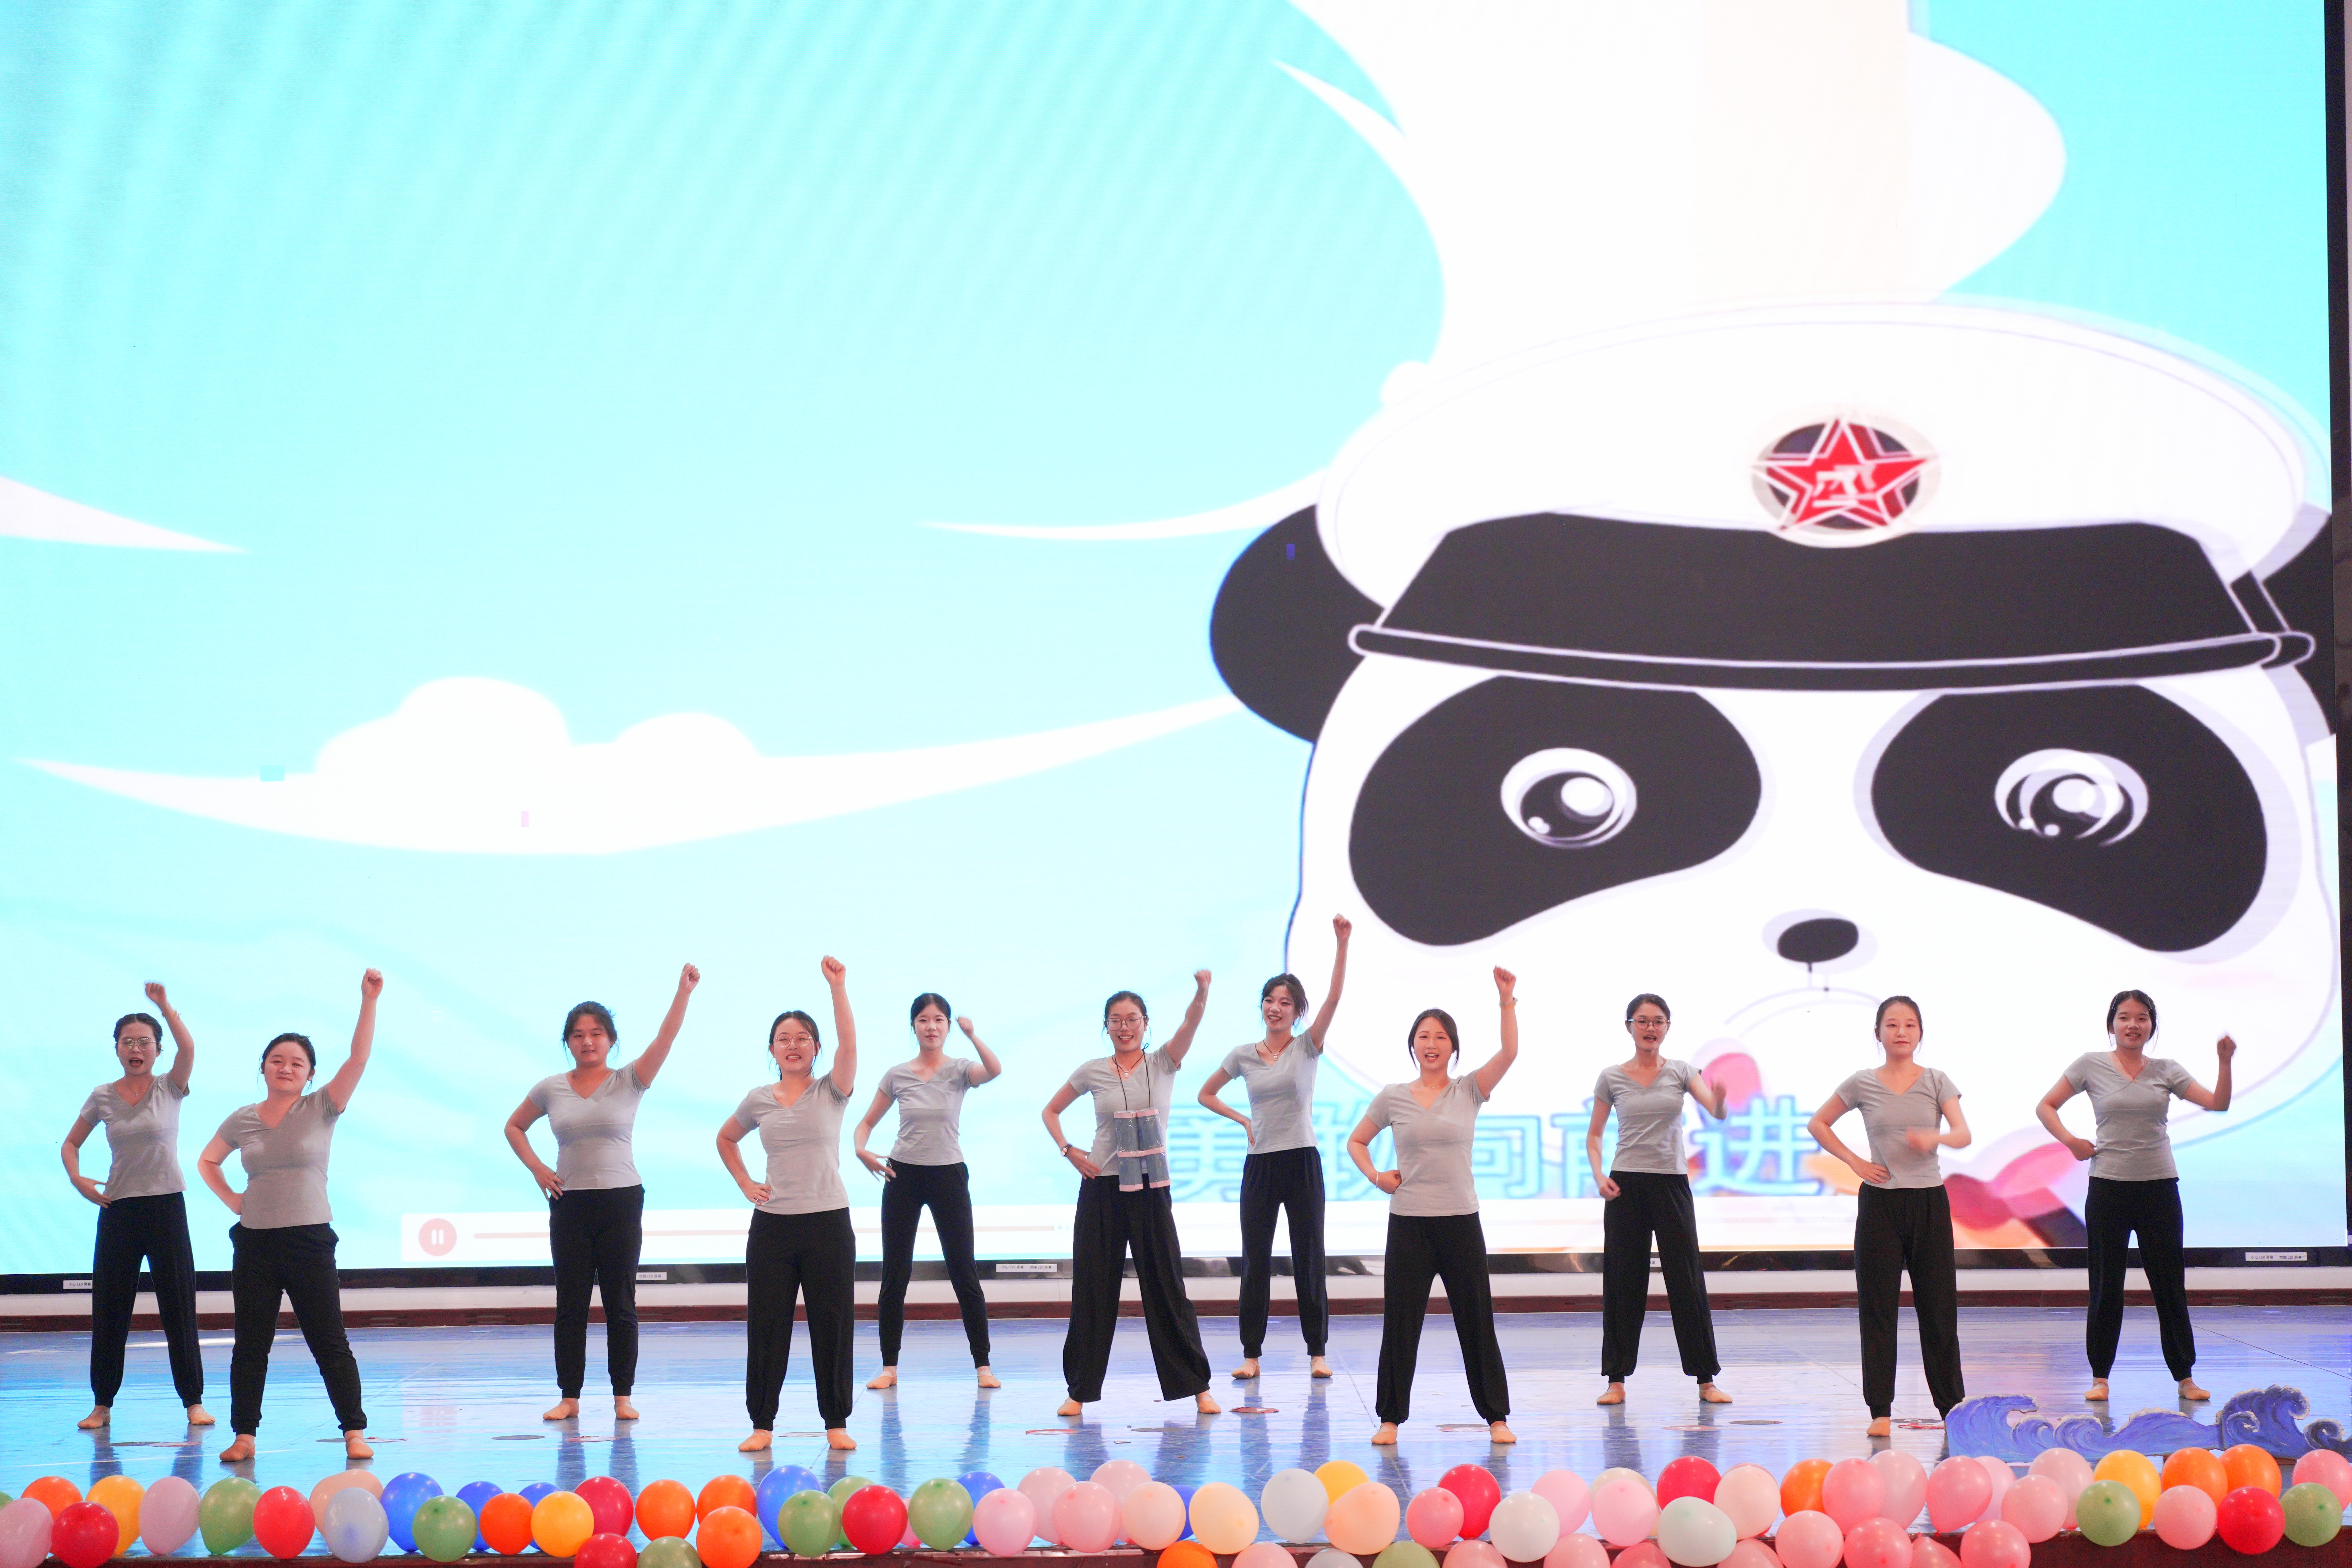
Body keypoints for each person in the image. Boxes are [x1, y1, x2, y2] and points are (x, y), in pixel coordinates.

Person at [198, 969, 382, 1463]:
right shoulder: (243, 1118)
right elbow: (207, 1161)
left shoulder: (323, 1106)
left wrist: (368, 1000)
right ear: (263, 1067)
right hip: (255, 1245)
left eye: (297, 1063)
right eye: (277, 1060)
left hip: (309, 1242)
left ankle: (354, 1431)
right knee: (250, 1345)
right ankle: (244, 1436)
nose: (286, 1068)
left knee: (330, 1342)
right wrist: (234, 1200)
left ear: (310, 1074)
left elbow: (359, 1058)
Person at [504, 963, 701, 1423]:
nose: (587, 1041)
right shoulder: (551, 1088)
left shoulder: (629, 1080)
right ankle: (569, 1397)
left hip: (621, 1200)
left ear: (611, 1040)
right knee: (570, 1304)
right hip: (570, 1203)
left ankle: (622, 1397)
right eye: (578, 1035)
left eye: (596, 1033)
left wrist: (683, 992)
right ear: (568, 1043)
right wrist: (538, 1169)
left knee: (620, 1303)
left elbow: (665, 1040)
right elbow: (514, 1126)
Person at [1349, 967, 1521, 1447]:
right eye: (1424, 1036)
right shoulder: (1393, 1097)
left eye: (1441, 1037)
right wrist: (1377, 1176)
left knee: (1477, 1321)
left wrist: (1506, 999)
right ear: (1413, 1045)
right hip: (1409, 1225)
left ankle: (1497, 1417)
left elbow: (1509, 1053)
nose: (1432, 1044)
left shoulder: (1469, 1090)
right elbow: (1357, 1142)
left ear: (1453, 1047)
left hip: (1461, 1222)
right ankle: (1389, 1419)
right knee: (1401, 1325)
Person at [2036, 989, 2233, 1404]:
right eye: (2125, 1017)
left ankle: (2185, 1377)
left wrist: (2225, 1062)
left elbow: (2218, 1103)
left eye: (2142, 1018)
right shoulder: (2090, 1064)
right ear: (2112, 1024)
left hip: (2159, 1187)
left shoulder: (2166, 1069)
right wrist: (2071, 1142)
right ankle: (2100, 1377)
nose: (2133, 1025)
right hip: (2108, 1186)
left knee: (2169, 1284)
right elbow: (2046, 1106)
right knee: (2106, 1285)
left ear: (2151, 1026)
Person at [1043, 973, 1220, 1418]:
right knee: (1093, 1289)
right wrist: (1069, 1151)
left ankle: (1197, 1387)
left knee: (1166, 1287)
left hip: (1150, 1188)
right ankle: (1079, 1391)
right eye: (1116, 1020)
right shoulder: (1092, 1070)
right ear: (1106, 1026)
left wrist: (1201, 992)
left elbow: (1191, 1023)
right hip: (1102, 1188)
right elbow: (1051, 1111)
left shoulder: (1164, 1063)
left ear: (1146, 1023)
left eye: (1133, 1019)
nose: (1125, 1027)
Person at [1807, 995, 1971, 1437]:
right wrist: (1855, 1162)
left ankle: (1951, 1407)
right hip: (1880, 1203)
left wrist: (1934, 1137)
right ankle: (1880, 1409)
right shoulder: (1863, 1082)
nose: (1901, 1032)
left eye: (1910, 1025)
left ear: (1920, 1033)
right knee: (1878, 1308)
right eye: (1893, 1025)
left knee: (1939, 1308)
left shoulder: (1937, 1080)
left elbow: (1963, 1133)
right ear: (1878, 1033)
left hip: (1928, 1202)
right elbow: (1819, 1124)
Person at [1198, 915, 1352, 1381]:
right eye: (1270, 1000)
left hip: (1302, 1160)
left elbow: (1334, 998)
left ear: (1297, 1011)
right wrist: (1243, 1119)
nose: (1276, 1008)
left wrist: (1342, 943)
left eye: (1286, 1003)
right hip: (1260, 1165)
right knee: (1255, 1262)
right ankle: (1251, 1355)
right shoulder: (1244, 1054)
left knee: (1309, 1258)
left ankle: (1318, 1352)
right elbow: (1206, 1094)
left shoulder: (1308, 1047)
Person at [719, 956, 860, 1452]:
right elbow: (726, 1139)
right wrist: (745, 1182)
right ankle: (762, 1424)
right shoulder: (759, 1098)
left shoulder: (832, 1090)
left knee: (832, 1325)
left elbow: (849, 1046)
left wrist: (838, 987)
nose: (794, 1044)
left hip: (828, 1224)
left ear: (816, 1048)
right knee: (768, 1327)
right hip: (773, 1228)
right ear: (772, 1050)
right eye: (784, 1038)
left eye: (803, 1038)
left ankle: (836, 1422)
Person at [62, 984, 210, 1431]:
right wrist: (79, 1180)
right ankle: (102, 1404)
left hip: (166, 1207)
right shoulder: (103, 1095)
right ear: (117, 1049)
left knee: (179, 1308)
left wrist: (164, 1006)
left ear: (158, 1049)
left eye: (144, 1041)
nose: (135, 1049)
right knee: (110, 1311)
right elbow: (71, 1144)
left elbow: (189, 1048)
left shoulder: (171, 1087)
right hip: (119, 1211)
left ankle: (193, 1402)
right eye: (127, 1042)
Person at [1587, 993, 1733, 1407]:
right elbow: (1594, 1135)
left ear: (1668, 1027)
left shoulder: (1682, 1071)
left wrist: (1720, 1099)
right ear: (1629, 1026)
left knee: (1686, 1279)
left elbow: (1716, 1111)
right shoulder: (1611, 1077)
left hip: (1671, 1183)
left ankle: (1706, 1379)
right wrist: (1599, 1175)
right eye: (1643, 1020)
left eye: (1658, 1021)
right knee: (1623, 1281)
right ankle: (1616, 1379)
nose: (1650, 1028)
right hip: (1625, 1185)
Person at [853, 995, 1003, 1390]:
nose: (931, 1026)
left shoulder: (960, 1070)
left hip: (948, 1174)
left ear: (949, 1025)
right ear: (913, 1026)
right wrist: (861, 1149)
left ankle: (983, 1365)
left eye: (939, 1019)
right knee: (895, 1272)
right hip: (902, 1174)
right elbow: (865, 1124)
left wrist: (973, 1035)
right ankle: (889, 1366)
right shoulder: (897, 1075)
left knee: (963, 1270)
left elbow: (994, 1069)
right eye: (923, 1020)